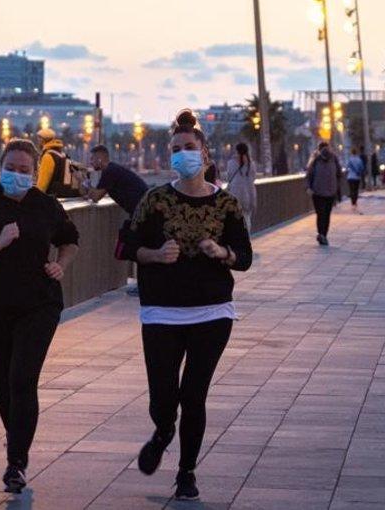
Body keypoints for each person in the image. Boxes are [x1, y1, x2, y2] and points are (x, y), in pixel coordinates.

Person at [118, 110, 252, 502]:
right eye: (176, 149)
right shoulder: (155, 200)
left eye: (189, 148)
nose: (183, 155)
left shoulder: (226, 204)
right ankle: (162, 431)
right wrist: (154, 255)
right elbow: (124, 246)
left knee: (193, 395)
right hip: (161, 311)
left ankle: (186, 473)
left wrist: (222, 251)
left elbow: (244, 256)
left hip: (212, 311)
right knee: (163, 397)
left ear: (206, 154)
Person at [0, 138, 79, 494]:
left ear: (35, 172)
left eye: (25, 171)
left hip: (39, 305)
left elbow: (71, 239)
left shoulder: (46, 206)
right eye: (12, 169)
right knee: (3, 383)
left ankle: (16, 462)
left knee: (22, 378)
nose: (17, 175)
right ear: (1, 168)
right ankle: (17, 435)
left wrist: (60, 264)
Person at [85, 144, 148, 216]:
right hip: (142, 209)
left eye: (92, 158)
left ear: (99, 159)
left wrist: (82, 179)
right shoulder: (111, 169)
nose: (90, 162)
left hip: (143, 212)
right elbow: (94, 193)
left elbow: (95, 197)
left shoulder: (109, 171)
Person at [306, 142, 342, 246]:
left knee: (320, 214)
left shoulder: (315, 159)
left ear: (319, 149)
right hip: (331, 191)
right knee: (327, 214)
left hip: (317, 192)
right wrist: (335, 186)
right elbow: (339, 174)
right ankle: (324, 235)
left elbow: (309, 174)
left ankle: (321, 233)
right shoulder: (334, 158)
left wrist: (308, 187)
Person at [35, 128, 85, 197]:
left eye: (38, 139)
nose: (37, 142)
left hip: (53, 197)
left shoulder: (48, 156)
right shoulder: (62, 154)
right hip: (65, 194)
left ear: (42, 140)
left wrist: (36, 197)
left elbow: (43, 183)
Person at [224, 143, 257, 230]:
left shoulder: (231, 163)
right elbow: (253, 178)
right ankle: (246, 239)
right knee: (246, 219)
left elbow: (229, 177)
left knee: (234, 220)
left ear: (236, 151)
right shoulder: (251, 164)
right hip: (248, 195)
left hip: (234, 195)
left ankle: (237, 240)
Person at [345, 147, 366, 212]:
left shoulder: (349, 159)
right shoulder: (359, 160)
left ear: (351, 152)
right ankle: (355, 201)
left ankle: (352, 202)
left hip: (350, 177)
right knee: (356, 190)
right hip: (357, 177)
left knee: (351, 190)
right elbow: (362, 168)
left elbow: (347, 167)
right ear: (356, 153)